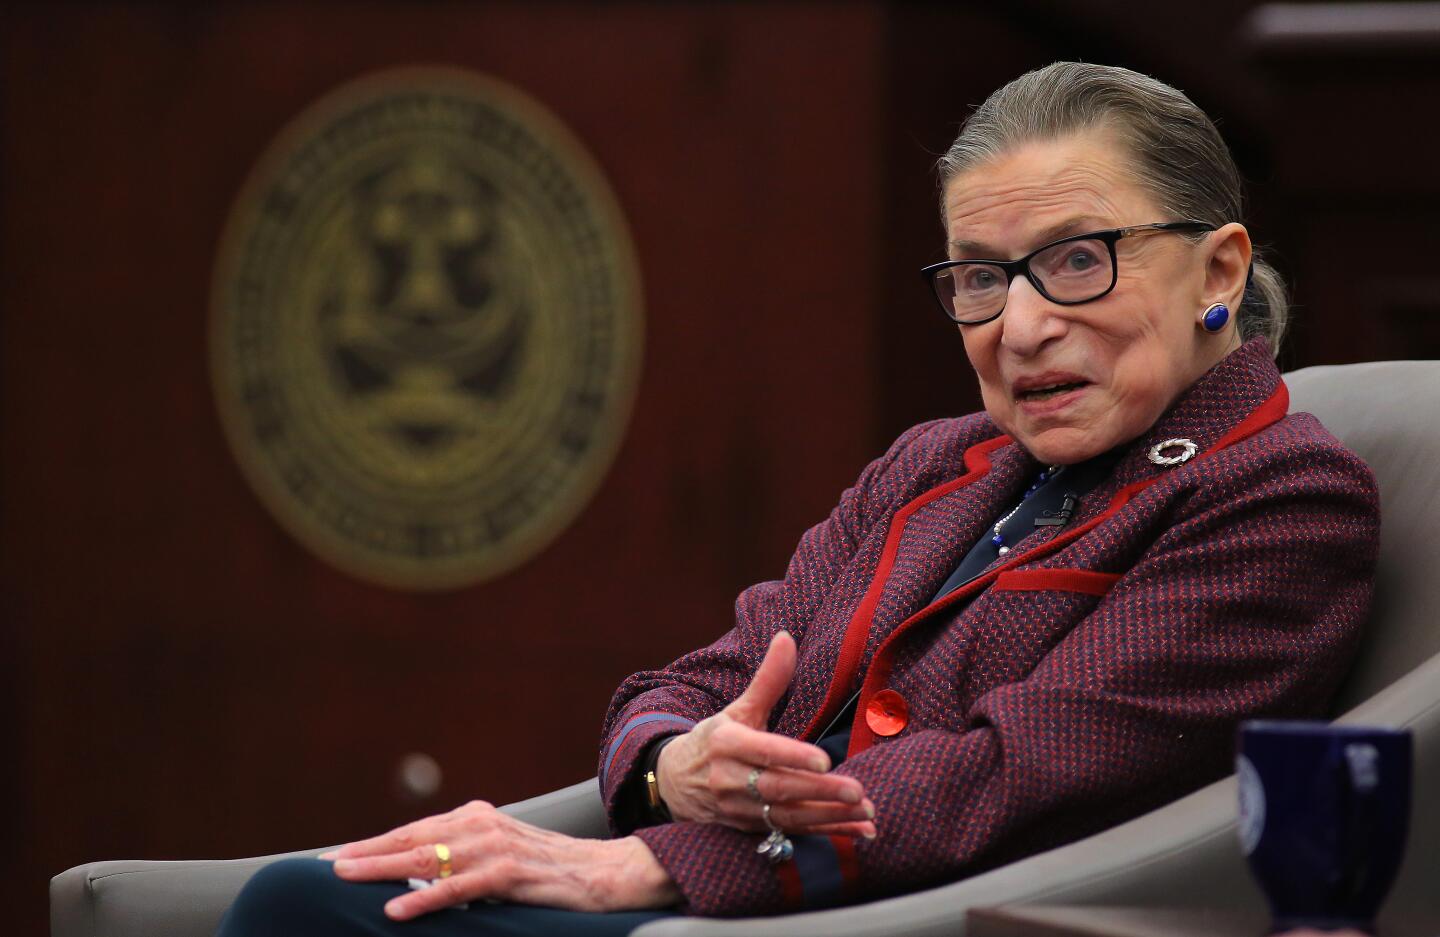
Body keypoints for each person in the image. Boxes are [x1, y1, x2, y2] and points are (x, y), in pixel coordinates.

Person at [217, 61, 1379, 935]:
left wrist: (662, 864)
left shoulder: (1281, 493)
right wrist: (680, 769)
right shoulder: (936, 462)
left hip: (874, 914)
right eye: (980, 279)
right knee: (305, 894)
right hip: (742, 894)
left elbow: (1014, 773)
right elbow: (690, 683)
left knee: (302, 913)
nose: (1021, 327)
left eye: (1080, 260)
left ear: (1219, 271)